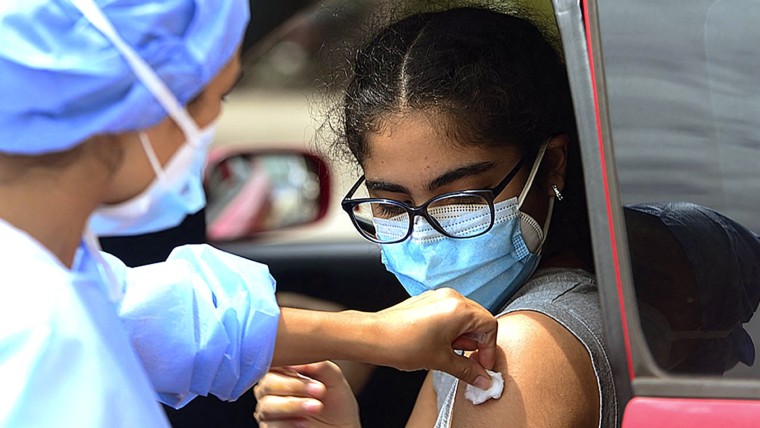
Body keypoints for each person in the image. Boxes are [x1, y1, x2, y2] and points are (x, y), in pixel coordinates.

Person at [0, 1, 502, 426]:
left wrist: (375, 335)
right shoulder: (44, 343)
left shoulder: (43, 283)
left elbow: (158, 317)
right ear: (136, 109)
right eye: (216, 97)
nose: (213, 126)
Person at [254, 5, 617, 428]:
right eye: (391, 205)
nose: (425, 237)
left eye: (460, 199)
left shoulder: (518, 348)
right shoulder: (467, 339)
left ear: (552, 163)